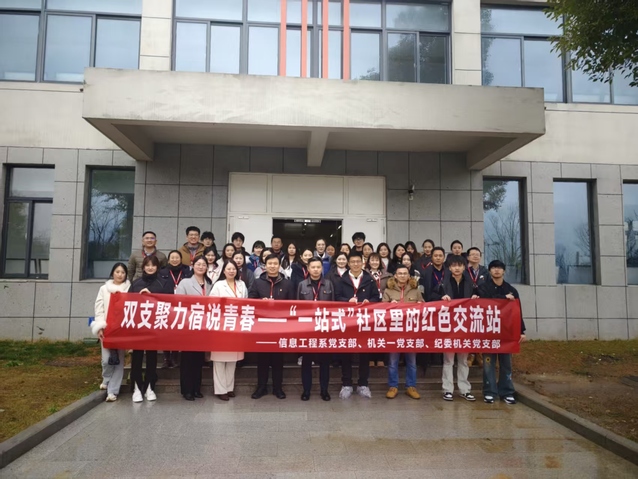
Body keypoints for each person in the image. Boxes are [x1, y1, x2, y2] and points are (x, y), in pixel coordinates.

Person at [478, 260, 526, 405]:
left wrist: (521, 331)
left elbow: (517, 312)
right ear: (489, 271)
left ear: (504, 271)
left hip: (506, 333)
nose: (497, 270)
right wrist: (503, 298)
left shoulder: (511, 290)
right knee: (488, 364)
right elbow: (485, 302)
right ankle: (489, 392)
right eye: (493, 268)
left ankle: (507, 392)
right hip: (488, 332)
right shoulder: (483, 288)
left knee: (506, 364)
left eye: (499, 268)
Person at [249, 254, 295, 399]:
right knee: (262, 359)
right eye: (270, 263)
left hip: (280, 326)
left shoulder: (287, 283)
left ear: (279, 266)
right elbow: (250, 300)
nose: (273, 266)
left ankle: (277, 388)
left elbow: (293, 304)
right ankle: (261, 387)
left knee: (277, 359)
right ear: (265, 265)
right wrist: (260, 302)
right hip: (262, 327)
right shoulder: (258, 282)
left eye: (275, 264)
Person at [335, 252, 380, 399]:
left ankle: (363, 384)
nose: (355, 264)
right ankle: (346, 384)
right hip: (347, 321)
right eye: (352, 262)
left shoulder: (370, 280)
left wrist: (370, 302)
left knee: (364, 353)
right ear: (348, 264)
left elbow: (376, 297)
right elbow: (336, 298)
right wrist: (346, 301)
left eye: (358, 261)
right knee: (346, 352)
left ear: (362, 263)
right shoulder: (341, 280)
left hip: (364, 321)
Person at [130, 256, 173, 402]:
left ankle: (150, 387)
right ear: (143, 267)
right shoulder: (136, 283)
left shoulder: (164, 283)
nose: (150, 268)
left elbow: (170, 303)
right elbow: (128, 303)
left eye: (153, 265)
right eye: (147, 265)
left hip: (155, 326)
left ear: (157, 267)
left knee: (152, 357)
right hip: (138, 326)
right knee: (137, 357)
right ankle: (136, 387)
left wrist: (152, 296)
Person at [440, 255, 478, 402]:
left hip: (464, 326)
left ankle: (464, 389)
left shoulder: (470, 284)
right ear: (449, 268)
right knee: (448, 361)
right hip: (449, 327)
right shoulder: (443, 283)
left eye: (460, 265)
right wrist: (442, 298)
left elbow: (479, 299)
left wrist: (476, 298)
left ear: (464, 267)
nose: (457, 268)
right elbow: (433, 298)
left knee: (463, 360)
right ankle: (447, 390)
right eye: (454, 265)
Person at [383, 264, 423, 400]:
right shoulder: (388, 290)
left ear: (409, 276)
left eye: (405, 273)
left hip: (411, 331)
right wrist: (389, 306)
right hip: (394, 331)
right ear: (395, 275)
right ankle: (393, 386)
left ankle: (411, 386)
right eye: (399, 273)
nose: (402, 276)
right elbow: (380, 309)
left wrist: (420, 305)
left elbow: (424, 307)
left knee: (411, 361)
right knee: (393, 361)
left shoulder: (415, 290)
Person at [297, 257, 334, 401]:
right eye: (313, 267)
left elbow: (333, 305)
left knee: (325, 362)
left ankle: (324, 390)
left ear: (322, 268)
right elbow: (297, 307)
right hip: (307, 328)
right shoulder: (302, 285)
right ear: (308, 268)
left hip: (324, 328)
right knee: (306, 361)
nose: (316, 270)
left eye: (318, 267)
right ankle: (306, 390)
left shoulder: (329, 284)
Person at [92, 262, 130, 402]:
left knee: (119, 360)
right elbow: (99, 309)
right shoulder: (104, 289)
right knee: (106, 360)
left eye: (123, 272)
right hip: (107, 329)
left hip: (121, 330)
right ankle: (106, 378)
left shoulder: (129, 289)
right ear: (113, 273)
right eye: (117, 272)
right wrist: (100, 326)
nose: (120, 275)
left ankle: (113, 391)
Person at [210, 260, 248, 401]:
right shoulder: (218, 285)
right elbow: (211, 304)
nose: (231, 271)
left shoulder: (242, 284)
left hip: (236, 325)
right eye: (229, 269)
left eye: (234, 269)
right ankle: (220, 390)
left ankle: (229, 387)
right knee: (219, 360)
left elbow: (246, 303)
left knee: (232, 360)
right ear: (224, 271)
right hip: (221, 326)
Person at [175, 256, 212, 401]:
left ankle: (197, 388)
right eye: (198, 264)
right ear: (193, 265)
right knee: (187, 359)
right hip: (188, 325)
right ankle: (187, 390)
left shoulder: (209, 283)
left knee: (198, 359)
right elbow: (178, 302)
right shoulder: (185, 282)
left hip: (203, 326)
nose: (201, 267)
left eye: (204, 264)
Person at [159, 250, 192, 368]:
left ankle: (174, 357)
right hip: (166, 305)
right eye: (172, 258)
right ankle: (166, 357)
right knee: (166, 332)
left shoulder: (187, 271)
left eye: (177, 257)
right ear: (168, 260)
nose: (174, 260)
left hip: (181, 305)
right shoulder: (162, 272)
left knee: (177, 331)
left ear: (181, 259)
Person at [366, 252, 392, 367]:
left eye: (377, 260)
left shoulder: (387, 275)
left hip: (383, 306)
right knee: (369, 333)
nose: (374, 262)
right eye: (372, 260)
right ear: (368, 262)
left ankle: (381, 358)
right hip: (370, 307)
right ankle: (371, 358)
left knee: (381, 332)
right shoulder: (364, 274)